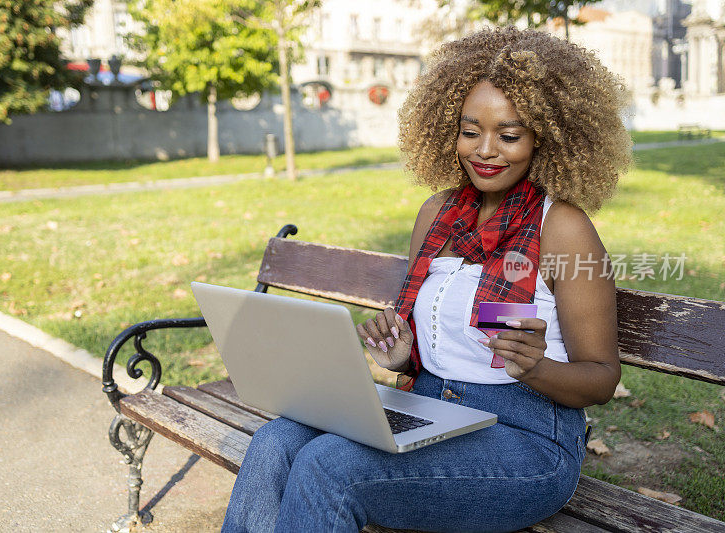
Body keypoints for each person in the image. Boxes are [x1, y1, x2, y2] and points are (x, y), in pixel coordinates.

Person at [221, 26, 632, 533]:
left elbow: (601, 378)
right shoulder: (437, 215)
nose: (485, 150)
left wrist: (535, 367)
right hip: (428, 409)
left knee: (328, 468)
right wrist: (401, 354)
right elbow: (430, 341)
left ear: (543, 138)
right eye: (469, 130)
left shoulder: (562, 227)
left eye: (508, 135)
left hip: (526, 440)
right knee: (275, 443)